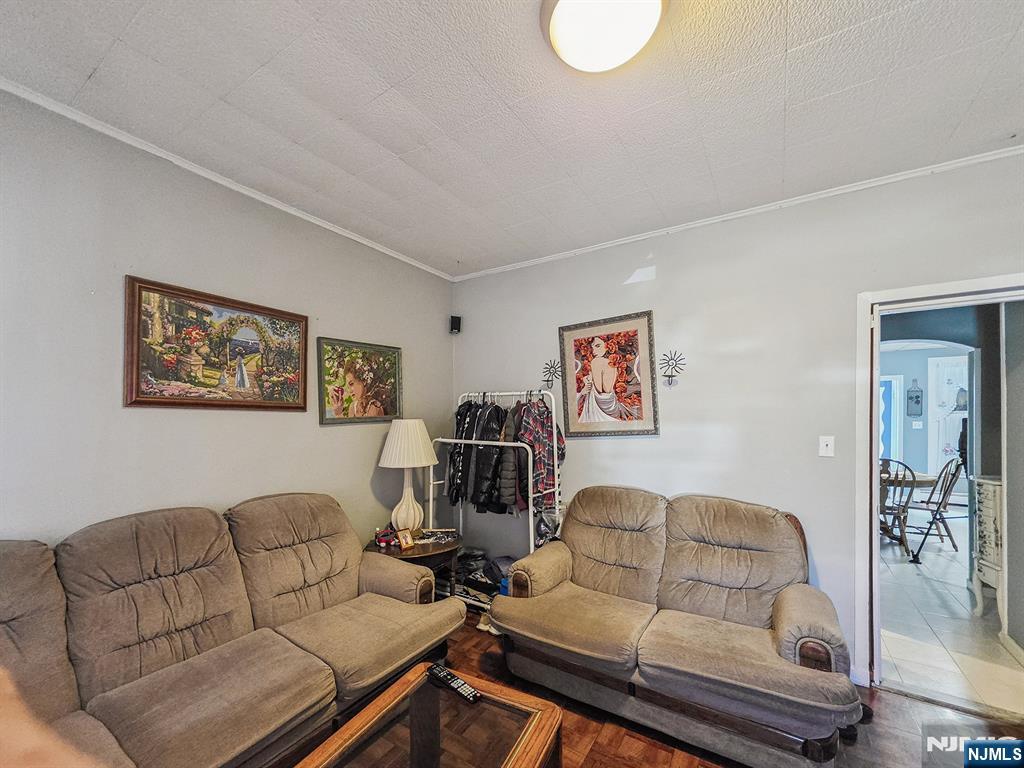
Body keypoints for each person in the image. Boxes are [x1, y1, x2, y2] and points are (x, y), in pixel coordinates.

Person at [578, 336, 640, 422]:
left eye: (597, 346)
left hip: (601, 407)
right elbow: (608, 389)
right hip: (612, 405)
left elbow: (599, 389)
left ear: (609, 344)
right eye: (592, 348)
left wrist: (588, 379)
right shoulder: (613, 363)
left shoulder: (596, 361)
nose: (594, 351)